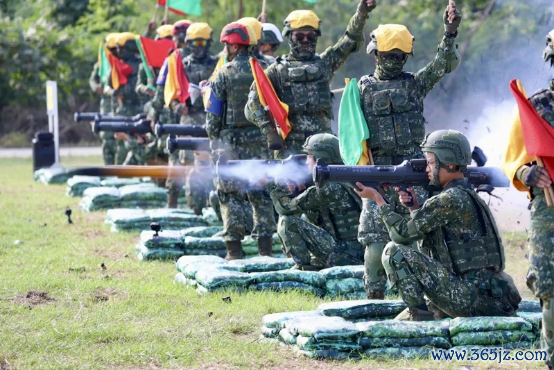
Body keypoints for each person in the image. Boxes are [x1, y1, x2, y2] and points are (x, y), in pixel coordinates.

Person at [355, 130, 521, 321]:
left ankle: (421, 321)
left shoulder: (448, 200)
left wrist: (378, 199)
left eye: (431, 163)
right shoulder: (466, 195)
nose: (427, 168)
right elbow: (427, 236)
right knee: (397, 323)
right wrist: (414, 207)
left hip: (468, 297)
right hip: (490, 296)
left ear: (449, 163)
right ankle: (422, 316)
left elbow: (400, 236)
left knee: (394, 252)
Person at [357, 0, 462, 299]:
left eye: (398, 56)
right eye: (390, 55)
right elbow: (352, 135)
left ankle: (419, 295)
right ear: (376, 53)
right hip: (378, 171)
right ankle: (375, 296)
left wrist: (449, 33)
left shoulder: (414, 85)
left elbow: (443, 64)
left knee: (418, 236)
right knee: (376, 243)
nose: (394, 60)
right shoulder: (361, 89)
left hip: (415, 171)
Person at [245, 0, 375, 157]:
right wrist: (270, 132)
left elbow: (350, 39)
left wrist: (361, 14)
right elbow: (252, 105)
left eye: (311, 36)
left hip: (324, 147)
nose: (305, 40)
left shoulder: (326, 63)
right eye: (299, 36)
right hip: (290, 149)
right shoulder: (276, 71)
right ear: (289, 36)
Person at [502, 29, 554, 369]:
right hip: (548, 207)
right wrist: (526, 174)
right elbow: (513, 159)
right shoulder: (536, 107)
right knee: (548, 282)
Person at [205, 22, 275, 260]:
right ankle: (265, 251)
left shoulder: (223, 74)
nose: (225, 49)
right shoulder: (266, 69)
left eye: (226, 45)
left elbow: (213, 117)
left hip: (231, 145)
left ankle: (234, 251)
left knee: (230, 195)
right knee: (261, 195)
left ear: (234, 46)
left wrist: (214, 143)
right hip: (260, 142)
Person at [267, 134, 364, 270]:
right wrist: (297, 190)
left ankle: (304, 266)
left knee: (287, 221)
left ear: (321, 159)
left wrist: (272, 184)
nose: (306, 162)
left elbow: (285, 208)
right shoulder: (340, 179)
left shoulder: (328, 188)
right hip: (354, 251)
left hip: (344, 254)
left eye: (309, 157)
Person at [149, 20, 193, 207]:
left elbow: (160, 96)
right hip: (201, 119)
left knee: (175, 162)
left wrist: (153, 112)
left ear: (176, 38)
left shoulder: (172, 60)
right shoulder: (210, 58)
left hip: (175, 120)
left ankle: (172, 204)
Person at [89, 33, 119, 165]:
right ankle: (108, 166)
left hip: (120, 103)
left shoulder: (121, 63)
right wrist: (96, 87)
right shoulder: (102, 63)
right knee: (107, 135)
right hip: (107, 103)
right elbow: (92, 79)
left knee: (120, 134)